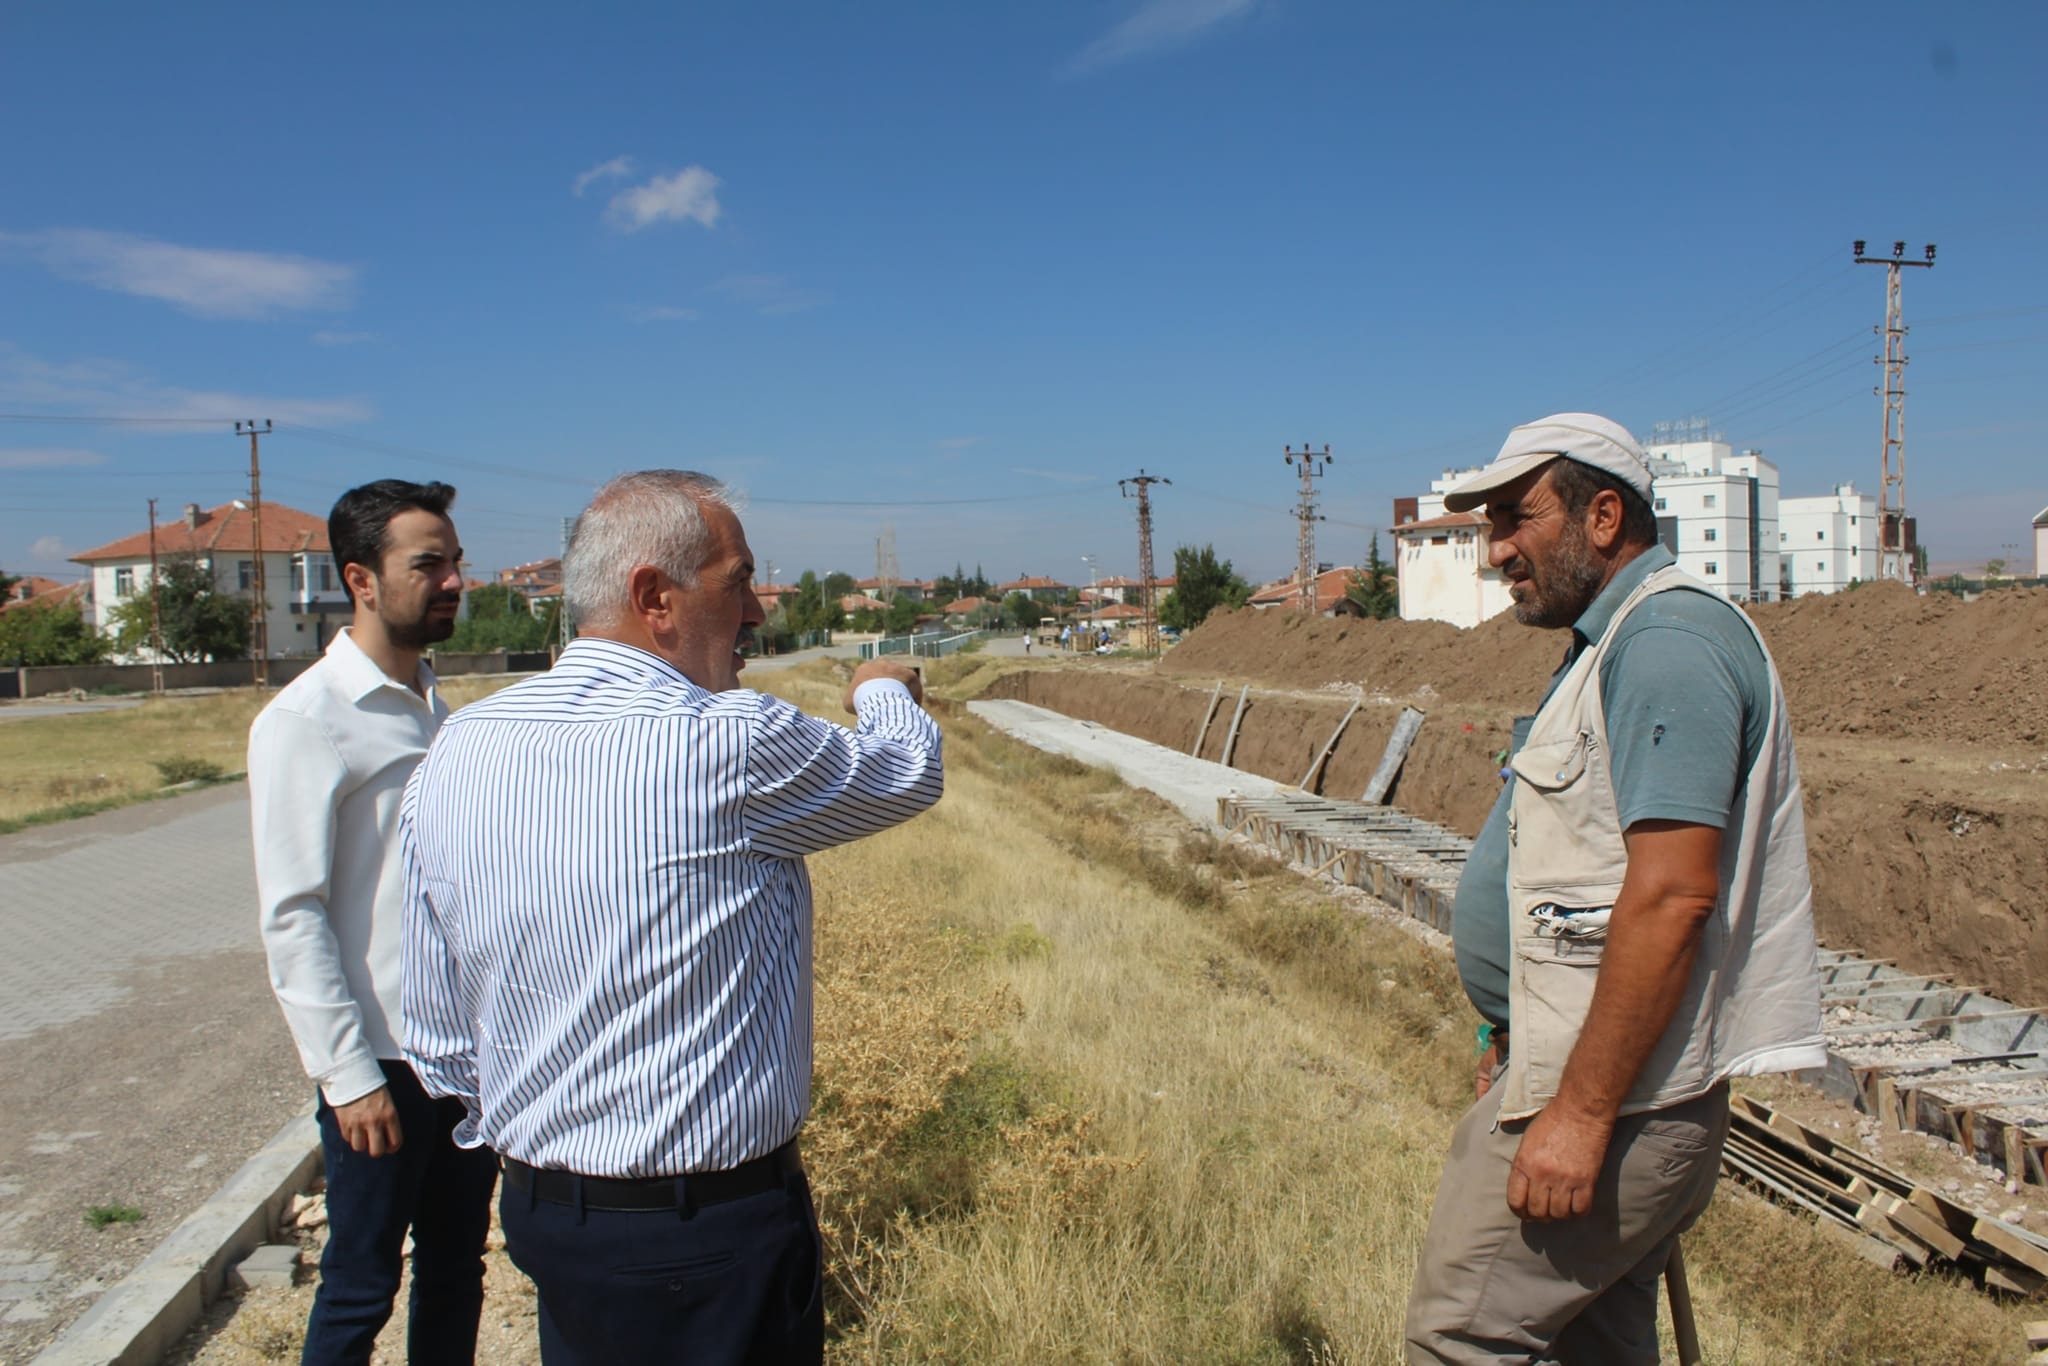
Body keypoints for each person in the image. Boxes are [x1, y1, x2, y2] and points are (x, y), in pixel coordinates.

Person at [400, 470, 943, 1365]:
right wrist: (881, 685)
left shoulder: (459, 749)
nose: (759, 616)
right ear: (655, 596)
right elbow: (905, 768)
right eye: (738, 584)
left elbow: (435, 1023)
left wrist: (551, 1144)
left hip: (547, 1218)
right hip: (707, 1238)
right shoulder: (723, 741)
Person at [1403, 414, 1825, 1363]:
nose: (1495, 551)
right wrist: (1513, 1031)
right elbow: (1584, 883)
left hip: (1620, 1101)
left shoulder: (1668, 644)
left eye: (1516, 518)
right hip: (1581, 1075)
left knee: (1459, 1337)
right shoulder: (1612, 642)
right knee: (1591, 1346)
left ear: (1603, 516)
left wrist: (1581, 1113)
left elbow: (1672, 897)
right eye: (1487, 526)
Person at [249, 480, 499, 1366]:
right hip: (381, 1067)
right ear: (360, 578)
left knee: (457, 1271)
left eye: (455, 562)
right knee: (360, 1282)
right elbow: (292, 913)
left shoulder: (439, 712)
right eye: (427, 564)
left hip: (462, 1059)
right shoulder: (307, 721)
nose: (454, 581)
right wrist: (346, 1075)